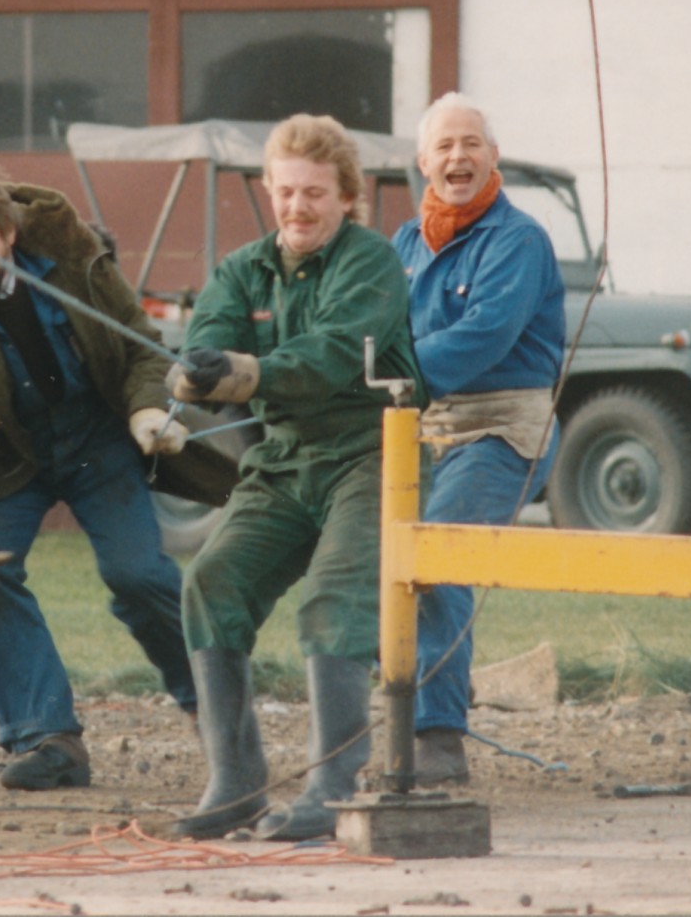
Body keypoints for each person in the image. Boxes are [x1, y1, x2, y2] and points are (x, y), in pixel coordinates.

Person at [0, 159, 204, 791]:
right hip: (7, 456)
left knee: (137, 574)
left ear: (8, 232)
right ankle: (46, 737)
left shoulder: (74, 255)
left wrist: (146, 408)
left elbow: (140, 342)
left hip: (97, 436)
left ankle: (215, 703)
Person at [169, 115, 423, 842]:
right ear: (267, 191)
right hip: (282, 459)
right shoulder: (241, 270)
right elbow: (205, 340)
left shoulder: (370, 262)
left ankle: (332, 790)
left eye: (314, 192)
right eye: (285, 191)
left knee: (332, 599)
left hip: (374, 453)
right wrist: (193, 370)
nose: (298, 206)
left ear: (346, 195)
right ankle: (236, 783)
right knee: (211, 580)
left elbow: (330, 354)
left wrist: (245, 372)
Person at [392, 93, 567, 787]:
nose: (457, 157)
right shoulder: (404, 244)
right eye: (444, 146)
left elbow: (485, 336)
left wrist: (394, 369)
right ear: (422, 163)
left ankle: (437, 734)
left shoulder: (516, 239)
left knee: (437, 557)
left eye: (471, 143)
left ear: (492, 156)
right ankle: (386, 709)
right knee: (366, 553)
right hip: (420, 424)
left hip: (502, 426)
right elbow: (367, 327)